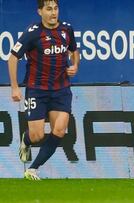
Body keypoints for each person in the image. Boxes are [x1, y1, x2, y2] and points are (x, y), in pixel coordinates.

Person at [8, 0, 79, 180]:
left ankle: (33, 169)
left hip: (61, 89)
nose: (53, 13)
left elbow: (74, 50)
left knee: (60, 130)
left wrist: (75, 65)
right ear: (40, 11)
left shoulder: (67, 30)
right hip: (37, 90)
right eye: (48, 9)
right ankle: (26, 140)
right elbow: (12, 58)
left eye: (56, 8)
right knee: (37, 135)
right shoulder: (32, 33)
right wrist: (15, 87)